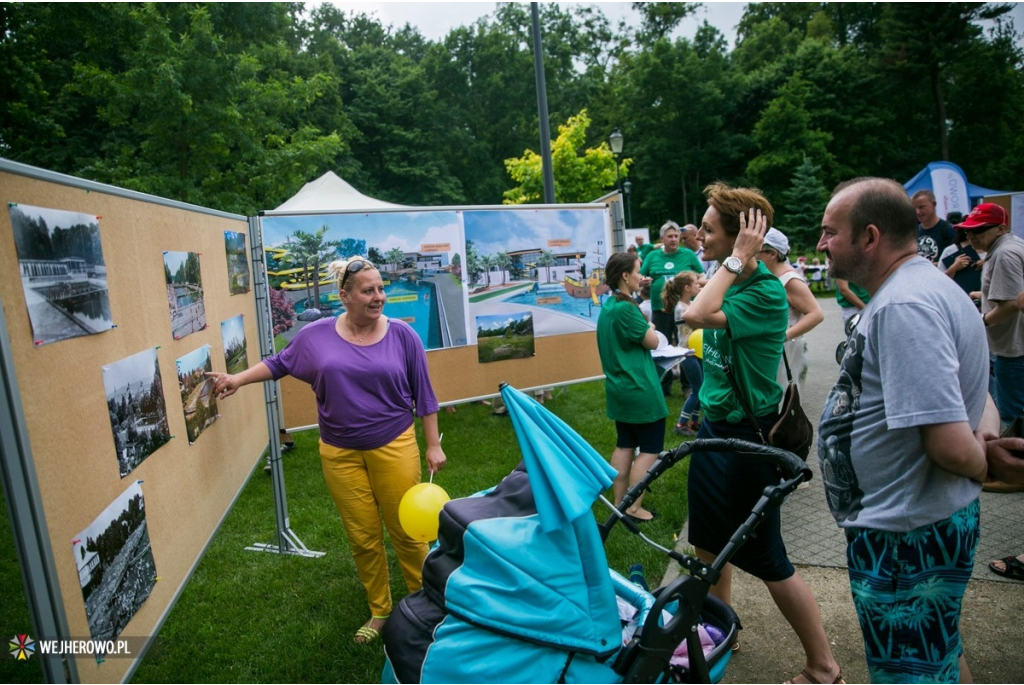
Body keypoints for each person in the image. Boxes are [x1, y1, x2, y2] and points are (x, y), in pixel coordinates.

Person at [207, 257, 446, 645]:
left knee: (407, 531)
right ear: (345, 297)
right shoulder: (317, 335)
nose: (378, 297)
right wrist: (237, 378)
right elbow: (279, 363)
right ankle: (381, 609)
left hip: (394, 445)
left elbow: (425, 395)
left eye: (381, 288)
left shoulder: (404, 336)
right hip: (339, 453)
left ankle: (426, 605)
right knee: (362, 535)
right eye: (368, 290)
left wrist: (432, 444)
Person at [817, 177, 993, 682]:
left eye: (830, 232)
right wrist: (983, 445)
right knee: (938, 653)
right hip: (917, 527)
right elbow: (982, 400)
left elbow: (948, 444)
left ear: (870, 237)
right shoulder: (922, 287)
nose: (821, 244)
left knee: (911, 672)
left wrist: (985, 464)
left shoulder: (904, 306)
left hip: (905, 540)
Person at [684, 182, 842, 685]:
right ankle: (719, 633)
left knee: (767, 556)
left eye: (708, 229)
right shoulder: (728, 280)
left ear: (739, 238)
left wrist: (736, 260)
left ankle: (824, 667)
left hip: (746, 442)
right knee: (707, 547)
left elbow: (695, 314)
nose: (698, 236)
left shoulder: (765, 293)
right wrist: (728, 263)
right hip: (715, 433)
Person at [596, 251, 667, 523]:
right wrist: (648, 324)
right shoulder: (628, 308)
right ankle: (634, 507)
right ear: (625, 276)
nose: (641, 276)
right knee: (649, 450)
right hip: (640, 390)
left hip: (619, 390)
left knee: (625, 444)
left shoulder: (609, 306)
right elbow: (653, 342)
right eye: (638, 271)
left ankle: (619, 502)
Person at [960, 203, 1024, 426]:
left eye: (978, 230)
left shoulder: (1004, 254)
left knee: (1013, 418)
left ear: (1001, 228)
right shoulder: (1010, 246)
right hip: (1014, 348)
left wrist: (981, 320)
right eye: (968, 230)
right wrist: (982, 294)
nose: (971, 235)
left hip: (1013, 351)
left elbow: (1012, 304)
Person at [640, 220, 704, 394]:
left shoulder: (688, 255)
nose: (674, 239)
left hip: (683, 310)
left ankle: (688, 386)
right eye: (670, 236)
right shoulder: (653, 257)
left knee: (685, 346)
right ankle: (664, 386)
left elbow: (701, 275)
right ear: (662, 238)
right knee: (662, 347)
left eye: (676, 236)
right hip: (660, 309)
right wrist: (643, 280)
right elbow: (641, 275)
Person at [757, 227, 824, 389]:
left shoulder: (790, 280)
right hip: (770, 349)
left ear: (772, 254)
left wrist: (784, 336)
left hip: (787, 351)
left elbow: (816, 314)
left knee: (782, 401)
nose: (752, 255)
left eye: (757, 251)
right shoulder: (769, 276)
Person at [661, 271, 704, 435]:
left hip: (696, 352)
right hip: (688, 354)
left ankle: (694, 422)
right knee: (697, 390)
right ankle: (681, 424)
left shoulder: (690, 304)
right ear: (687, 288)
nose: (698, 286)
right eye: (695, 284)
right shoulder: (681, 308)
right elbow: (699, 319)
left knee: (701, 389)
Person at [939, 226, 986, 299]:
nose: (970, 237)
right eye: (967, 232)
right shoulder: (950, 251)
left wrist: (988, 263)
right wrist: (953, 268)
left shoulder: (992, 251)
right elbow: (939, 282)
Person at [912, 189, 956, 265]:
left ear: (933, 205)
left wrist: (939, 265)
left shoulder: (949, 230)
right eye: (914, 208)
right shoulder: (913, 232)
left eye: (921, 207)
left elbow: (958, 259)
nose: (917, 212)